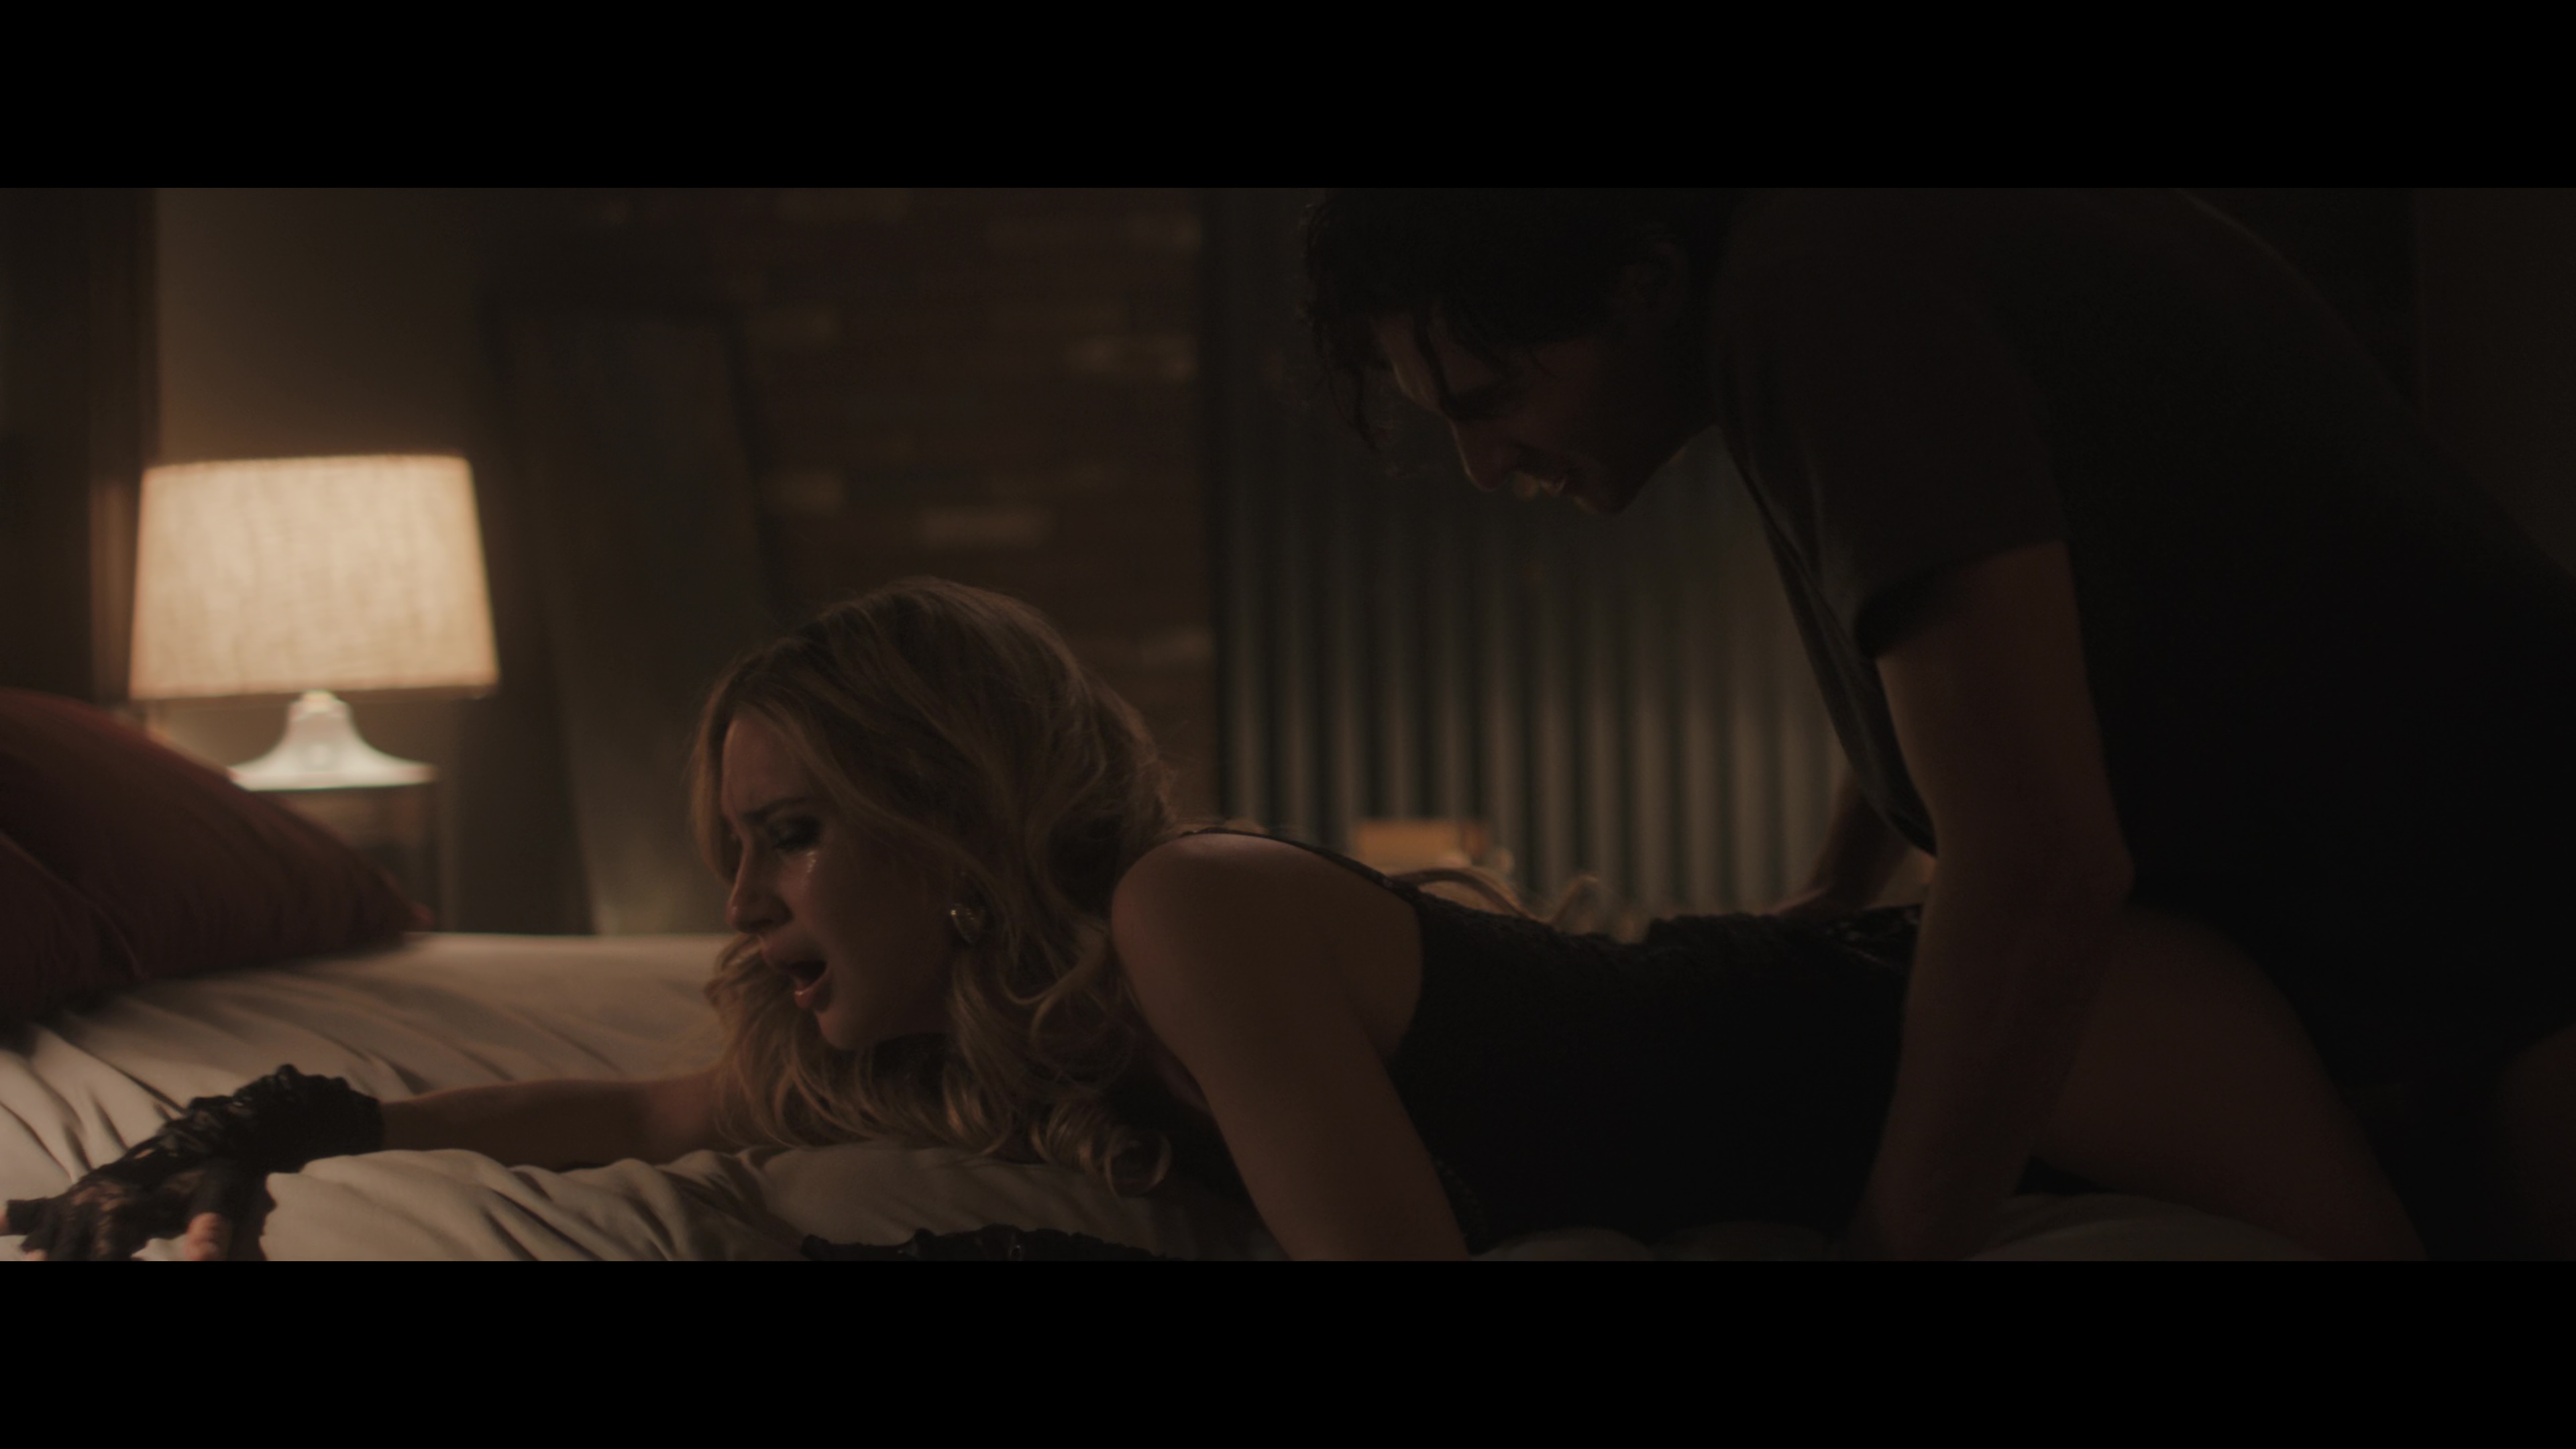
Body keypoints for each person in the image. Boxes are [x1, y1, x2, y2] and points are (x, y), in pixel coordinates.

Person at [11, 580, 2420, 1260]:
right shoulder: (983, 1019)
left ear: (954, 819)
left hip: (2036, 1025)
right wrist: (297, 1122)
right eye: (738, 847)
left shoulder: (1185, 911)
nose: (738, 903)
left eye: (794, 835)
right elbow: (634, 1106)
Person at [1301, 188, 2576, 1257]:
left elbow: (2038, 870)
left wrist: (1897, 1245)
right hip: (2434, 948)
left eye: (1488, 399)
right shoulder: (1838, 254)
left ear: (1644, 285)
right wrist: (1835, 887)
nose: (1483, 465)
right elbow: (1977, 664)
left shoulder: (1831, 301)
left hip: (2515, 932)